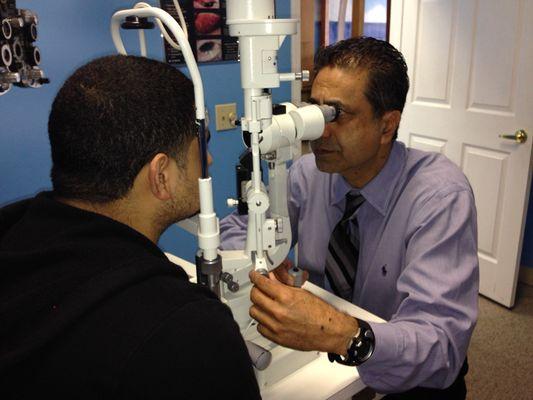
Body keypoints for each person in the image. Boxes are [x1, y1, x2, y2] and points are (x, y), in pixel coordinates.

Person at [220, 37, 479, 399]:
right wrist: (258, 262)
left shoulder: (439, 196)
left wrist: (343, 334)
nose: (319, 132)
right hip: (328, 355)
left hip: (410, 374)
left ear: (387, 126)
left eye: (336, 115)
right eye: (315, 109)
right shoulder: (307, 173)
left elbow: (441, 346)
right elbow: (238, 230)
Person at [0, 55, 260, 399]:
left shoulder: (13, 233)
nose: (209, 159)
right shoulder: (187, 330)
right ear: (161, 175)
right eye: (203, 144)